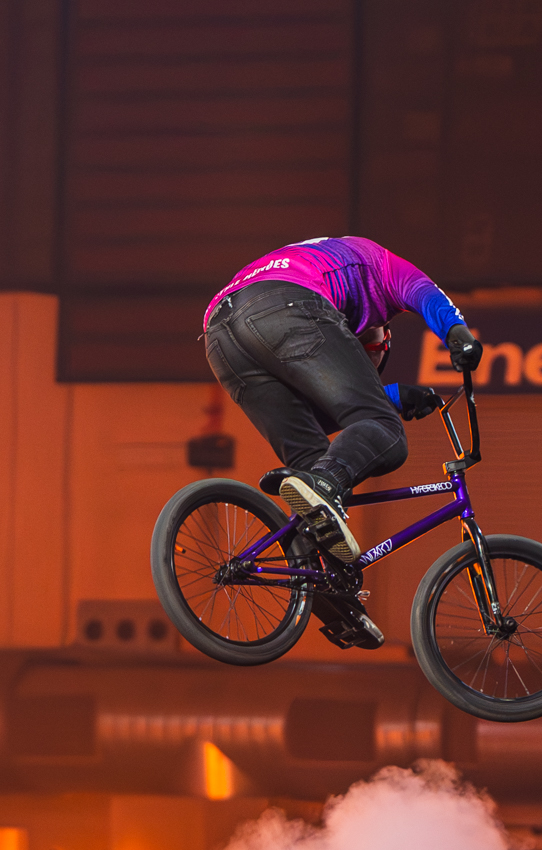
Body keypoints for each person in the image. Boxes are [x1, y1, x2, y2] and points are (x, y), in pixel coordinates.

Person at [200, 237, 482, 588]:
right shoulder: (378, 264)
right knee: (386, 432)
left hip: (219, 332)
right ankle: (323, 487)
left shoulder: (325, 275)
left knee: (314, 461)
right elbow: (423, 290)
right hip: (284, 302)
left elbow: (315, 413)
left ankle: (313, 573)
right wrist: (457, 333)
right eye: (370, 350)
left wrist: (393, 396)